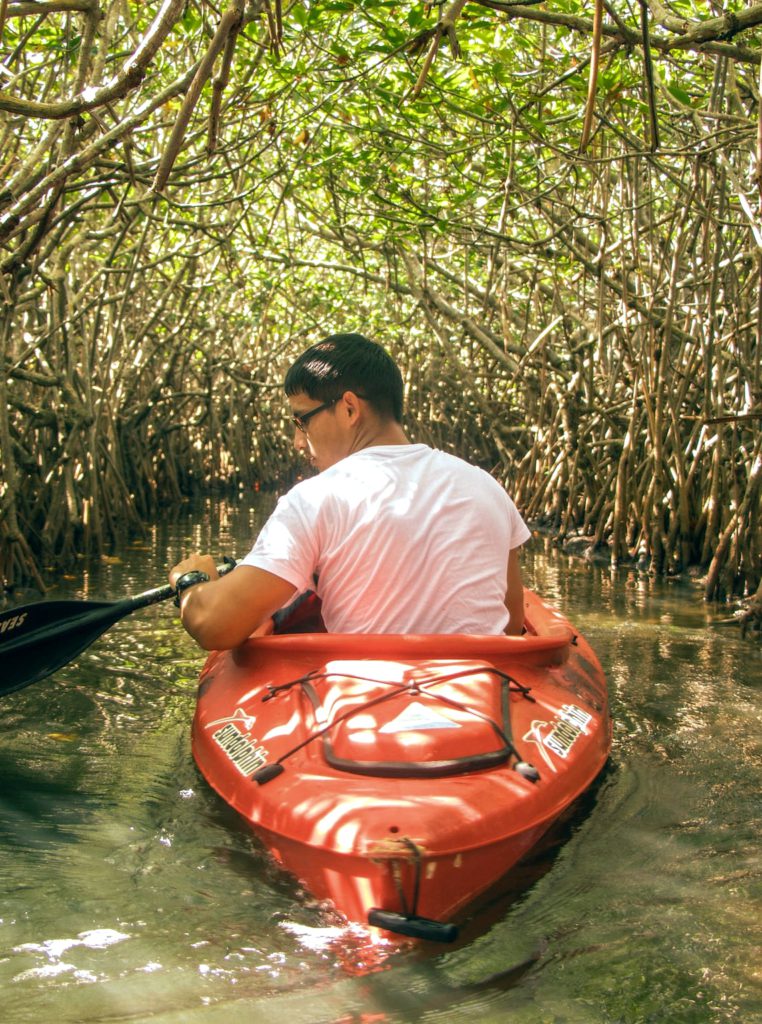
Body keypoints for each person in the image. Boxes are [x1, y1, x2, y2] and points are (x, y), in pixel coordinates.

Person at [169, 333, 531, 649]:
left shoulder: (315, 499)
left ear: (348, 408)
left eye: (300, 420)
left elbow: (214, 626)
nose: (297, 442)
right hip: (483, 697)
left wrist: (192, 580)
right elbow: (512, 624)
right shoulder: (485, 486)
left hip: (369, 706)